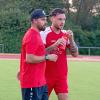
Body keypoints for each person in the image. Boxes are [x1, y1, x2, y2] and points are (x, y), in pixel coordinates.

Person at [17, 9, 58, 100]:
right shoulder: (32, 36)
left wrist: (54, 46)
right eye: (43, 19)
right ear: (34, 21)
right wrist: (48, 57)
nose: (45, 22)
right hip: (32, 83)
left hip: (40, 82)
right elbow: (29, 58)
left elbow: (38, 53)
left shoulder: (37, 34)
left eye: (45, 19)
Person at [40, 8, 78, 100]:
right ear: (52, 19)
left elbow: (75, 54)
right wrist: (55, 44)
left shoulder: (65, 34)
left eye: (64, 19)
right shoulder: (44, 33)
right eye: (60, 19)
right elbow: (40, 53)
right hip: (45, 76)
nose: (63, 22)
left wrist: (71, 39)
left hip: (61, 76)